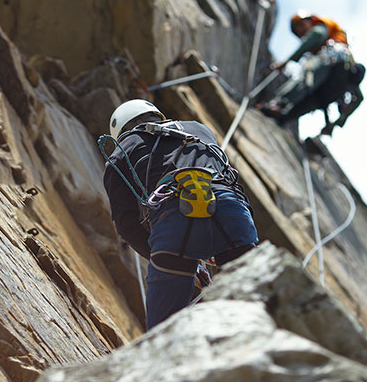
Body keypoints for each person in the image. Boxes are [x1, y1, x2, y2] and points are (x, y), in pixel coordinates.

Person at [101, 99, 259, 329]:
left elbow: (126, 225)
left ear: (121, 132)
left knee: (163, 330)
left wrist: (161, 255)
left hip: (176, 220)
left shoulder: (121, 152)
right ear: (157, 115)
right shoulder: (199, 129)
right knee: (248, 307)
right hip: (232, 209)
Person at [258, 10, 364, 133]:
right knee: (314, 99)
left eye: (300, 27)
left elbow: (313, 39)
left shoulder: (320, 27)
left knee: (308, 75)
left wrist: (287, 62)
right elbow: (359, 98)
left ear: (308, 20)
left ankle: (279, 104)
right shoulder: (348, 66)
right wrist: (339, 121)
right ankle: (284, 117)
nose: (302, 34)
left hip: (331, 60)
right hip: (332, 88)